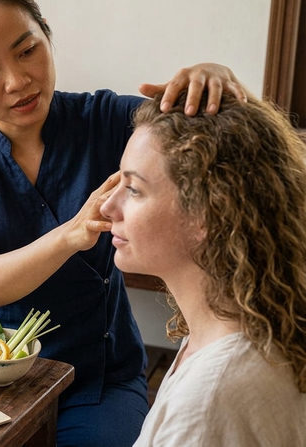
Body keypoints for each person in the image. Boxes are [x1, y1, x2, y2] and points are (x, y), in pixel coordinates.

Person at [0, 0, 248, 445]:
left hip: (98, 374)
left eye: (26, 50)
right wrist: (71, 234)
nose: (18, 81)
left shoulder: (109, 121)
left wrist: (215, 77)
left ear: (46, 34)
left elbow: (217, 137)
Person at [100, 92, 306, 446]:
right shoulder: (245, 322)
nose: (107, 206)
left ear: (208, 213)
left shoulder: (209, 401)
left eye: (133, 189)